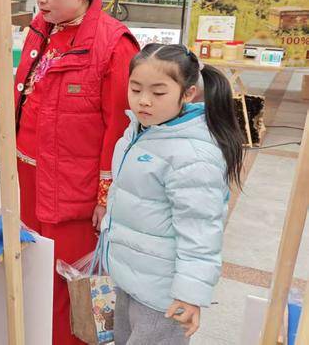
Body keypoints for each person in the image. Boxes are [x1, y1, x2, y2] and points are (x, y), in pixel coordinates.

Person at [13, 0, 139, 345]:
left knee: (69, 288)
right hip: (29, 178)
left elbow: (120, 127)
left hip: (73, 189)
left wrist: (106, 195)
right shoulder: (42, 28)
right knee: (33, 274)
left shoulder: (113, 44)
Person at [99, 44, 243, 344]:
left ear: (188, 94)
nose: (144, 100)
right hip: (130, 278)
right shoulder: (140, 130)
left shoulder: (192, 155)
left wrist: (190, 295)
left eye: (158, 92)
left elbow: (200, 233)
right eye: (135, 89)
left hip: (163, 296)